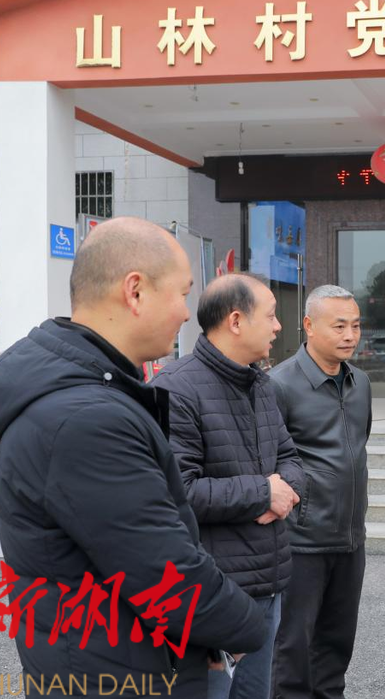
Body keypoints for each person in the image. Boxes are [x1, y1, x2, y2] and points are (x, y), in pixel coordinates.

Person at [0, 217, 267, 695]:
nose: (186, 313)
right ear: (135, 291)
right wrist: (249, 628)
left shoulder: (91, 394)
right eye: (182, 294)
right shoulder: (85, 419)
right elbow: (165, 575)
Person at [152, 273, 305, 699]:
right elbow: (176, 491)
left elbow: (291, 459)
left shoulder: (261, 384)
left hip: (268, 583)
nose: (278, 326)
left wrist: (283, 492)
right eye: (271, 316)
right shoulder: (173, 388)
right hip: (212, 593)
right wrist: (262, 493)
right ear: (236, 321)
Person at [269, 284, 372, 699]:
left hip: (350, 537)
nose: (350, 335)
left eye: (356, 326)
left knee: (337, 645)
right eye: (339, 326)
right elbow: (268, 463)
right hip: (301, 540)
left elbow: (357, 448)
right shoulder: (278, 385)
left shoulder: (361, 382)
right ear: (309, 326)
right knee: (292, 648)